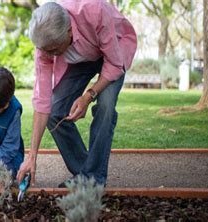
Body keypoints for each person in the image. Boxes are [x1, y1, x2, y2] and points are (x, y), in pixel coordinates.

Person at [16, 1, 137, 187]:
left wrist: (88, 96)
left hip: (114, 50)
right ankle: (86, 175)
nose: (50, 55)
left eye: (54, 50)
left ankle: (93, 180)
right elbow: (42, 101)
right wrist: (32, 156)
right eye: (46, 51)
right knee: (55, 111)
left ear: (69, 32)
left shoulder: (94, 10)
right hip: (82, 57)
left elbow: (113, 64)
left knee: (105, 106)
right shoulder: (45, 45)